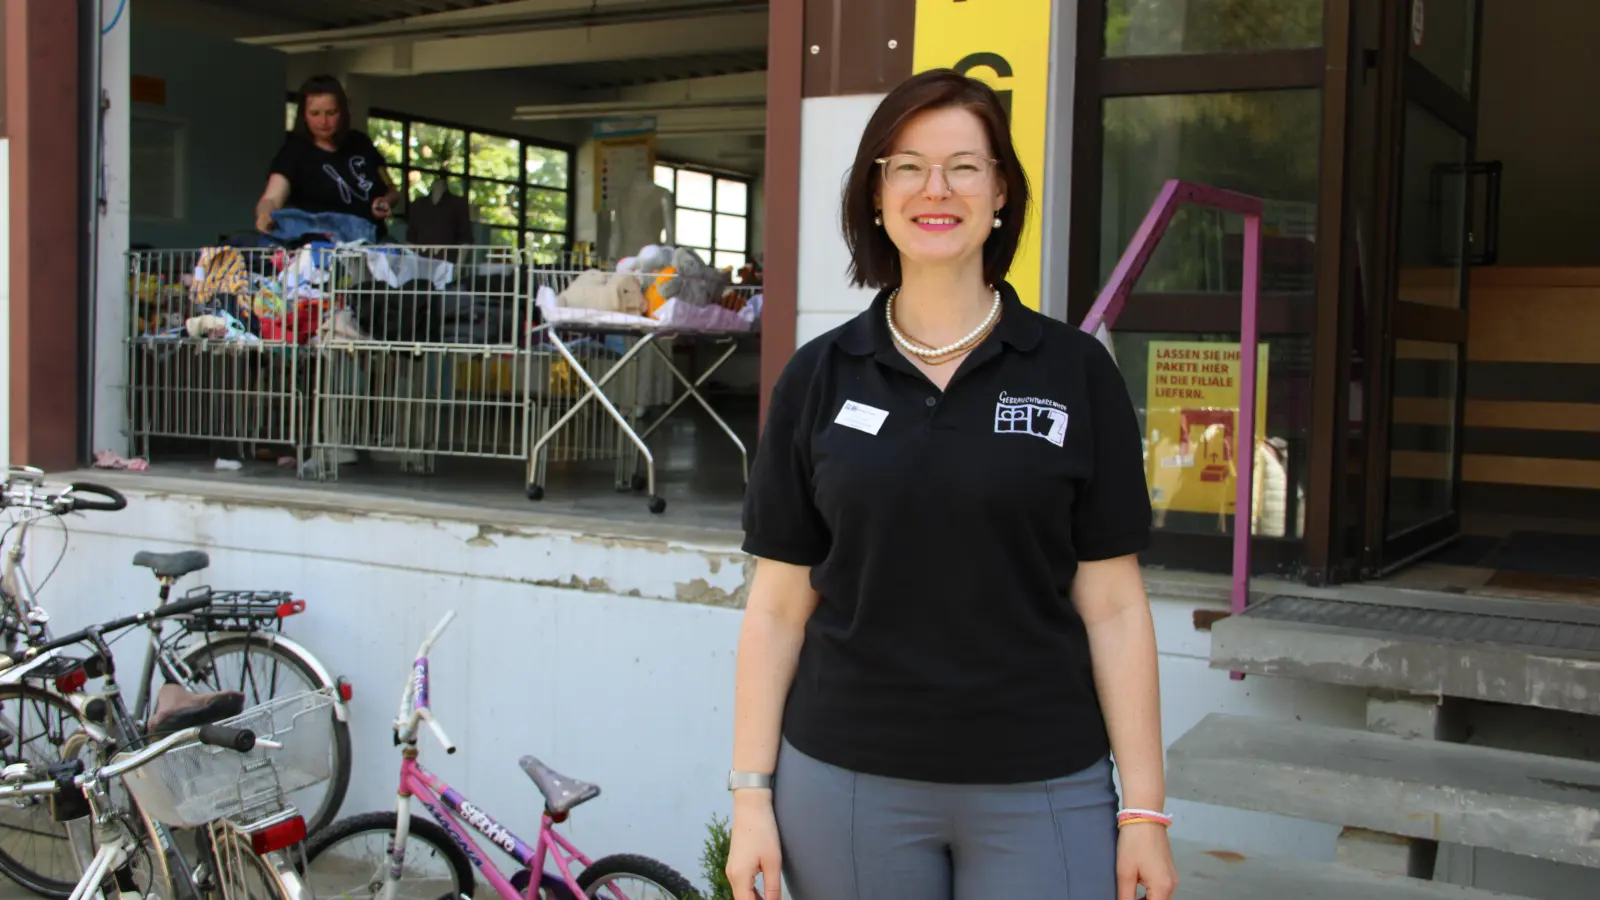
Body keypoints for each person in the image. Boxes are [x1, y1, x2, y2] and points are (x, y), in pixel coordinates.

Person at [725, 69, 1179, 900]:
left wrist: (1143, 812)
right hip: (847, 780)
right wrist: (751, 794)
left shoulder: (1077, 373)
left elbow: (1113, 605)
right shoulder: (819, 376)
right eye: (908, 165)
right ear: (875, 192)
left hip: (1043, 781)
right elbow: (779, 606)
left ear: (1001, 190)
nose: (937, 189)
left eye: (965, 166)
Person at [255, 75, 399, 240]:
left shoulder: (361, 143)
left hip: (371, 243)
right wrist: (264, 215)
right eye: (315, 113)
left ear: (343, 112)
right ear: (303, 115)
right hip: (320, 249)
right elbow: (272, 198)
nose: (323, 121)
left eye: (331, 113)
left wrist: (386, 201)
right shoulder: (294, 151)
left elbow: (392, 191)